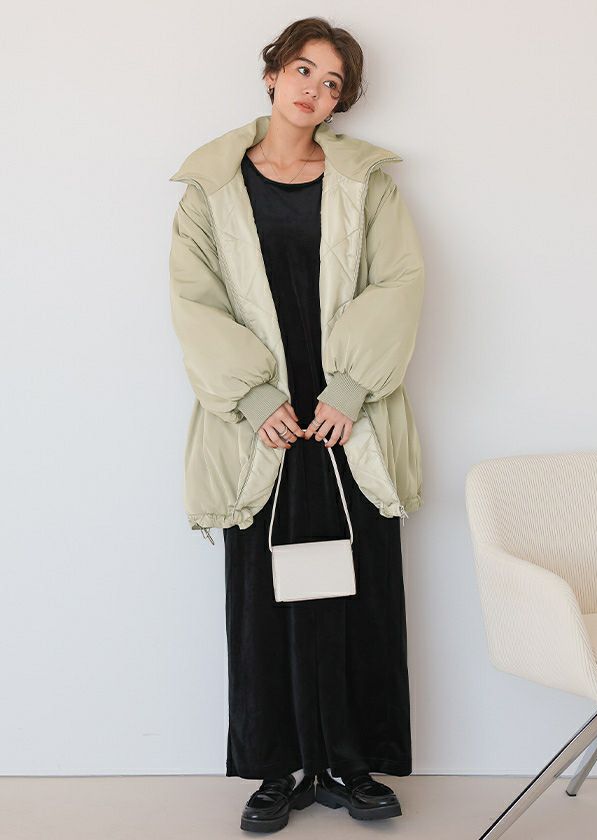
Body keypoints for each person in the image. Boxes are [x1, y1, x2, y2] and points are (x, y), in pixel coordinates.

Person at [168, 16, 424, 834]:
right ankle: (277, 770)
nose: (315, 89)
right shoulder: (211, 188)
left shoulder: (367, 183)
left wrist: (349, 389)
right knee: (263, 596)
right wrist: (251, 399)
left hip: (351, 417)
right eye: (305, 70)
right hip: (262, 425)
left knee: (357, 590)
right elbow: (195, 303)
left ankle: (351, 765)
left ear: (341, 101)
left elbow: (400, 282)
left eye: (333, 82)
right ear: (273, 73)